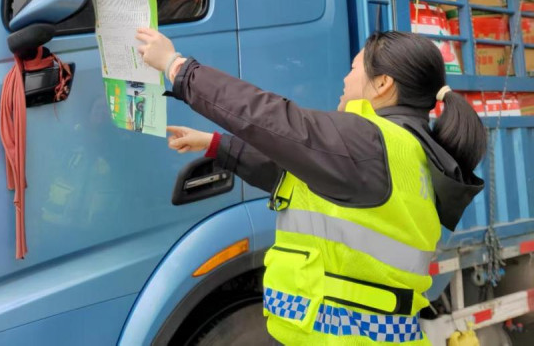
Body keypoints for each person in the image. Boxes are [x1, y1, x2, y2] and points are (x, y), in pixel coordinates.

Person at [135, 28, 486, 345]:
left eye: (353, 69)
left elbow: (271, 118)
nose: (345, 79)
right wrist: (216, 145)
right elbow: (296, 174)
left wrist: (177, 67)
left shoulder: (370, 141)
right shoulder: (407, 152)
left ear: (382, 84)